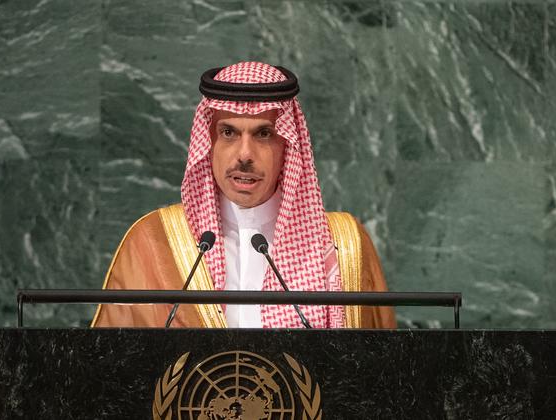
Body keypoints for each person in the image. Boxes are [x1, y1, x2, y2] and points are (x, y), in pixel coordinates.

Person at [91, 62, 396, 329]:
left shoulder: (343, 246)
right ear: (208, 141)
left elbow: (384, 375)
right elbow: (109, 372)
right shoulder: (152, 243)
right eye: (229, 133)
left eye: (264, 134)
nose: (245, 155)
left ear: (287, 146)